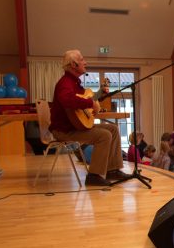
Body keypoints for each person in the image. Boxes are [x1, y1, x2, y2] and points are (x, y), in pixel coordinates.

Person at [49, 49, 129, 186]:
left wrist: (97, 97)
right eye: (82, 60)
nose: (85, 62)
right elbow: (67, 100)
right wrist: (90, 103)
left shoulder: (75, 83)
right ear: (73, 65)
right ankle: (94, 176)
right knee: (104, 135)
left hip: (73, 126)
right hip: (64, 131)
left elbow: (84, 100)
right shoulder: (65, 83)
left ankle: (112, 170)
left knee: (113, 129)